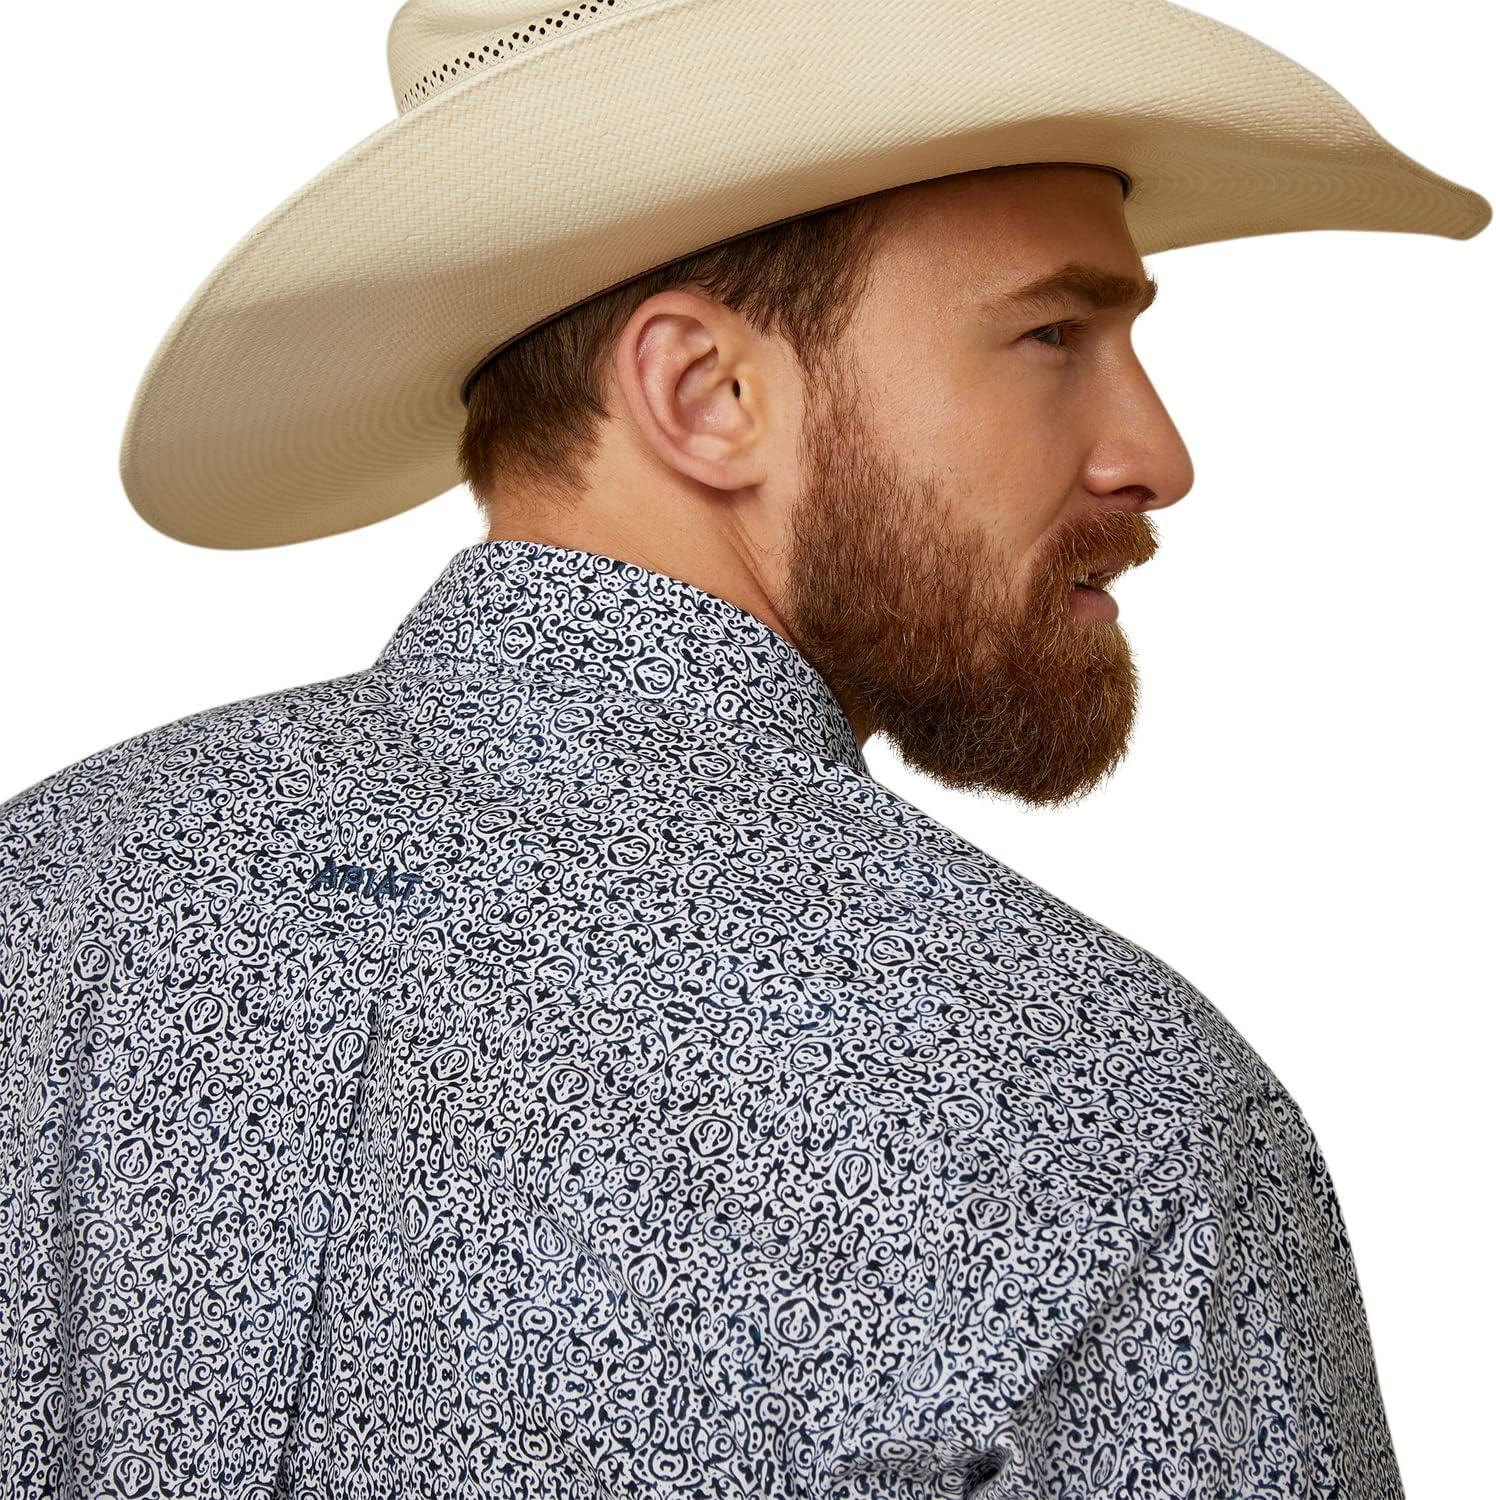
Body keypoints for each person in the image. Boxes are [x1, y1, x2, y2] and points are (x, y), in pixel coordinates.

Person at [3, 2, 1488, 1496]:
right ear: (707, 397)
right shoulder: (1096, 1116)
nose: (1154, 455)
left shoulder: (52, 888)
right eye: (1053, 334)